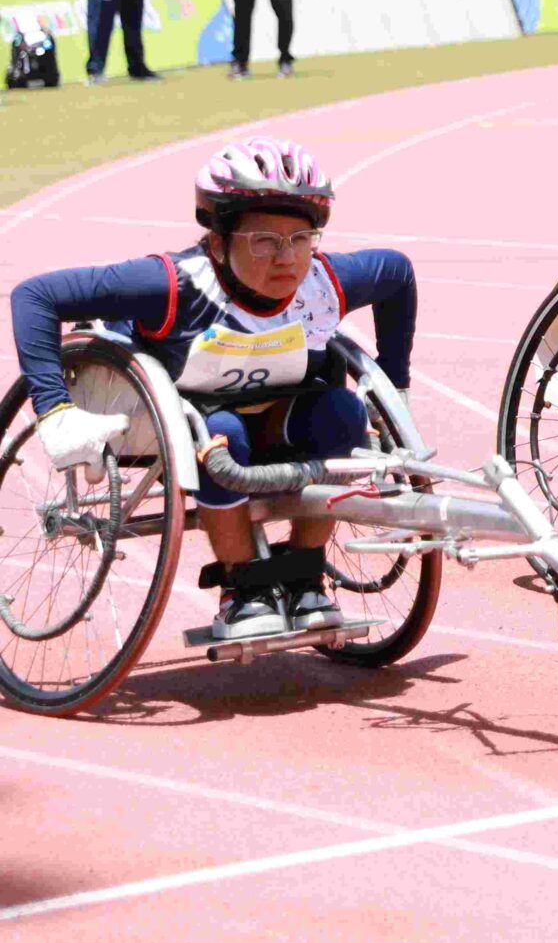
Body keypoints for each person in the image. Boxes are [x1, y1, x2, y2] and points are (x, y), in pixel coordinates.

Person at [7, 138, 417, 641]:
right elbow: (35, 296)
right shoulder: (172, 284)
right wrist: (54, 411)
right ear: (219, 243)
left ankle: (304, 576)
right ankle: (244, 590)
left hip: (277, 412)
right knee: (222, 431)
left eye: (301, 238)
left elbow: (398, 273)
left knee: (344, 413)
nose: (287, 257)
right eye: (263, 240)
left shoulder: (324, 281)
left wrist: (395, 386)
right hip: (173, 427)